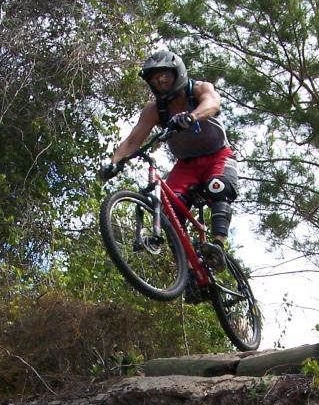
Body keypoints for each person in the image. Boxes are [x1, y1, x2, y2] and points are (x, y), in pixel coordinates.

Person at [99, 48, 237, 270]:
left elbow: (212, 103)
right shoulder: (155, 110)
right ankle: (189, 269)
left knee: (217, 187)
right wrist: (114, 163)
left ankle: (217, 247)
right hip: (186, 165)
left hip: (217, 156)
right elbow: (132, 140)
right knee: (168, 209)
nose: (160, 82)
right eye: (155, 80)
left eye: (164, 76)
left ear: (177, 73)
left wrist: (191, 117)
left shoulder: (199, 89)